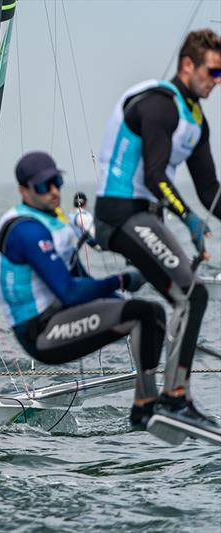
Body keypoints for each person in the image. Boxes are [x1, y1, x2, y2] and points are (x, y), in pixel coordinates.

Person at [94, 29, 221, 423]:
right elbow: (154, 175)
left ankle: (145, 404)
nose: (217, 82)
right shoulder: (159, 106)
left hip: (145, 217)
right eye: (213, 72)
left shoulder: (196, 122)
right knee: (192, 295)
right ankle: (176, 397)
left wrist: (196, 214)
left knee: (159, 308)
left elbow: (210, 190)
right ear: (188, 65)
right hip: (118, 214)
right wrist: (188, 218)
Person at [0, 152, 166, 429]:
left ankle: (153, 403)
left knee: (153, 313)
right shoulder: (25, 230)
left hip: (62, 316)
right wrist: (122, 281)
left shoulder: (56, 223)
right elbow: (69, 292)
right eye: (44, 186)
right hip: (41, 334)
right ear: (24, 190)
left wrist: (116, 298)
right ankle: (147, 409)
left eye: (57, 181)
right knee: (141, 313)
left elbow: (80, 278)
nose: (54, 190)